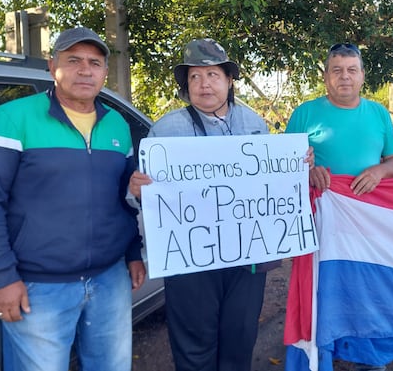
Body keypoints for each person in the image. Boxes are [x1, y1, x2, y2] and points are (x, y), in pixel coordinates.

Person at [0, 26, 146, 371]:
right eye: (73, 60)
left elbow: (122, 198)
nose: (85, 70)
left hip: (109, 279)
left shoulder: (117, 125)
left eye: (94, 62)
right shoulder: (12, 118)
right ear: (52, 67)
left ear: (105, 72)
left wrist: (133, 252)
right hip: (37, 286)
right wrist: (2, 276)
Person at [128, 38, 304, 371]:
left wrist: (295, 165)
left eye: (212, 74)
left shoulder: (254, 125)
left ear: (228, 80)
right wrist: (138, 189)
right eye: (194, 77)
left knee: (239, 338)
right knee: (194, 346)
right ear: (186, 85)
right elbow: (145, 197)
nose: (204, 84)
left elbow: (272, 185)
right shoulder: (166, 130)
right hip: (189, 262)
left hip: (246, 258)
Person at [285, 43, 393, 371]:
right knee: (322, 293)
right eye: (337, 70)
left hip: (369, 225)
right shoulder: (304, 114)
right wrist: (308, 171)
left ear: (363, 75)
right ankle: (319, 358)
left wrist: (380, 170)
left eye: (352, 70)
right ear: (325, 76)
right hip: (322, 224)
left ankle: (368, 359)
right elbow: (281, 166)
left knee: (367, 290)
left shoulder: (378, 113)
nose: (345, 77)